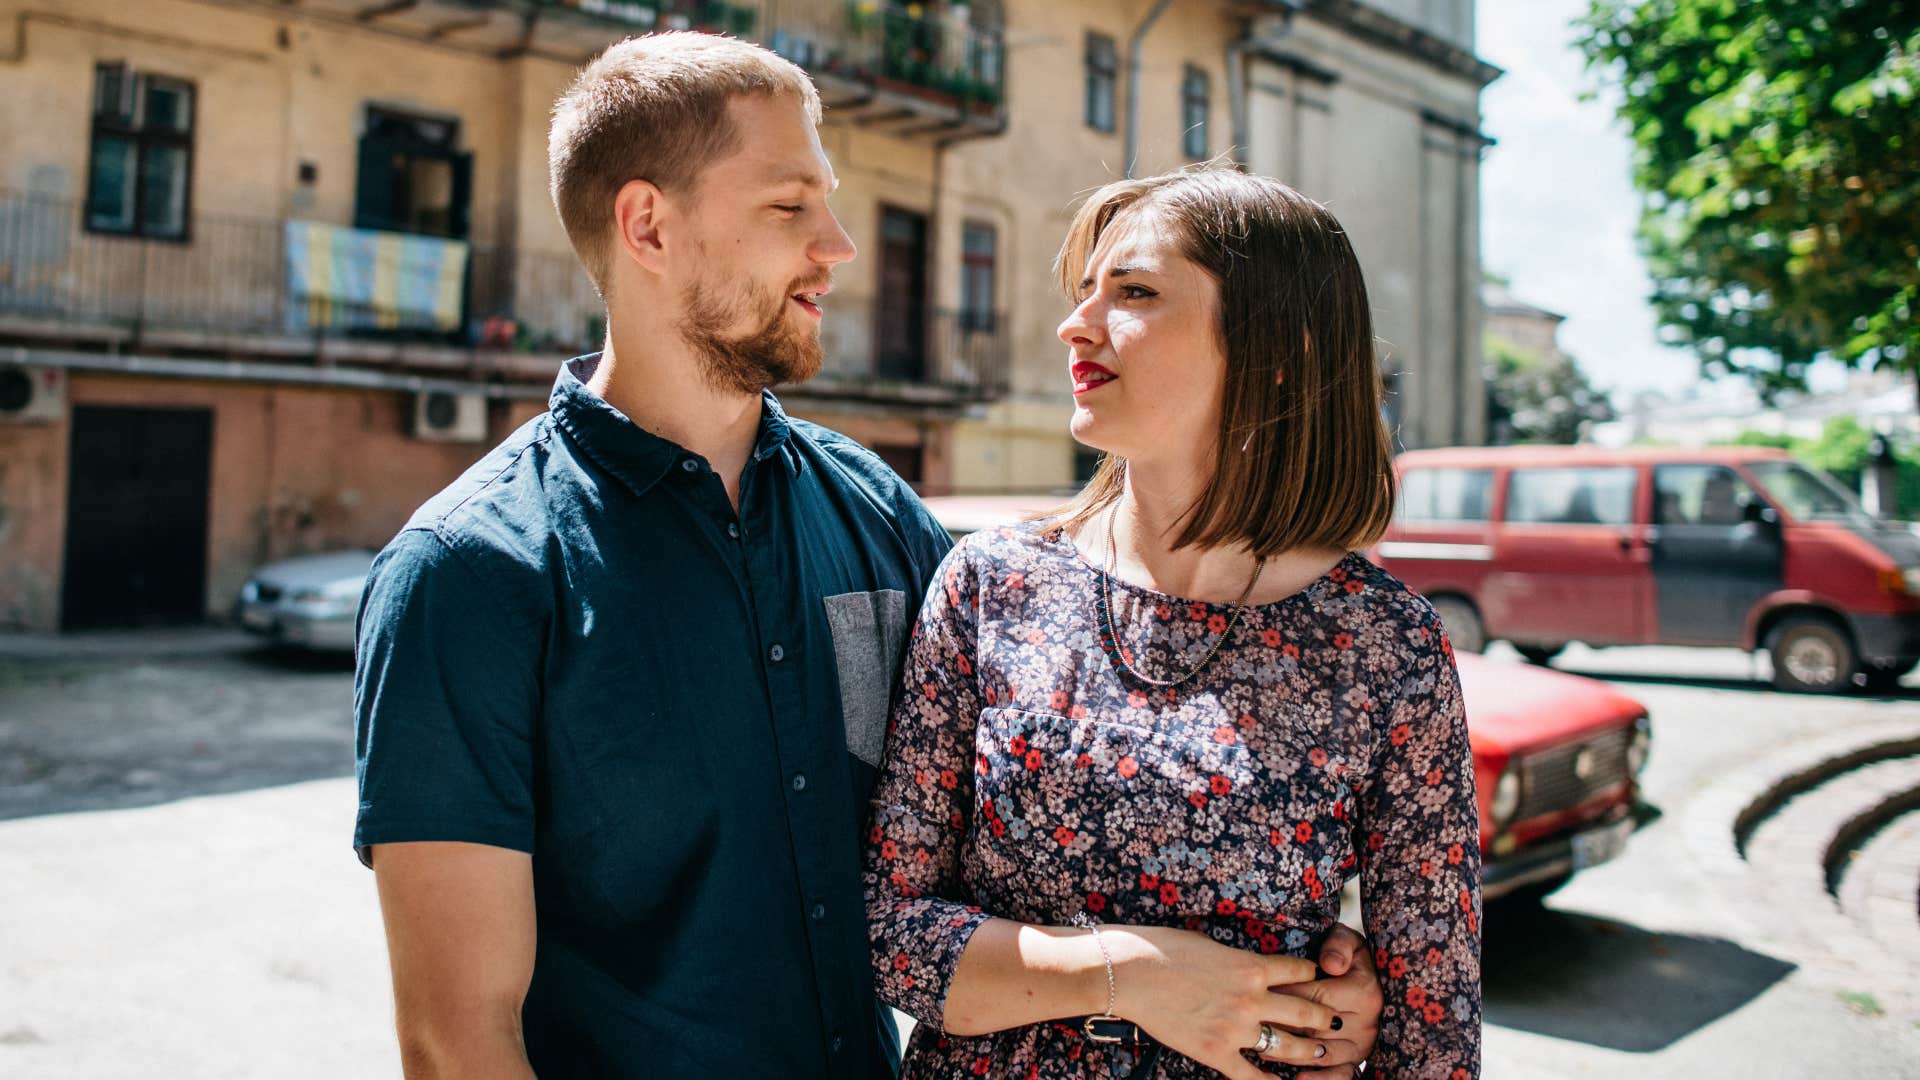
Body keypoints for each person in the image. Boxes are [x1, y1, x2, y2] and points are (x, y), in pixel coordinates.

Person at [353, 32, 1386, 1080]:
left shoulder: (879, 514)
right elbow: (456, 1040)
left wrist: (1294, 969)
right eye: (790, 206)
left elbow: (1046, 824)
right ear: (648, 225)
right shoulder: (465, 576)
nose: (838, 244)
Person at [863, 168, 1481, 1079]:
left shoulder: (1388, 646)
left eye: (1135, 293)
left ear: (1281, 348)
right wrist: (1136, 975)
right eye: (1085, 294)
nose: (1077, 325)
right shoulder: (993, 584)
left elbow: (1434, 1036)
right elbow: (887, 931)